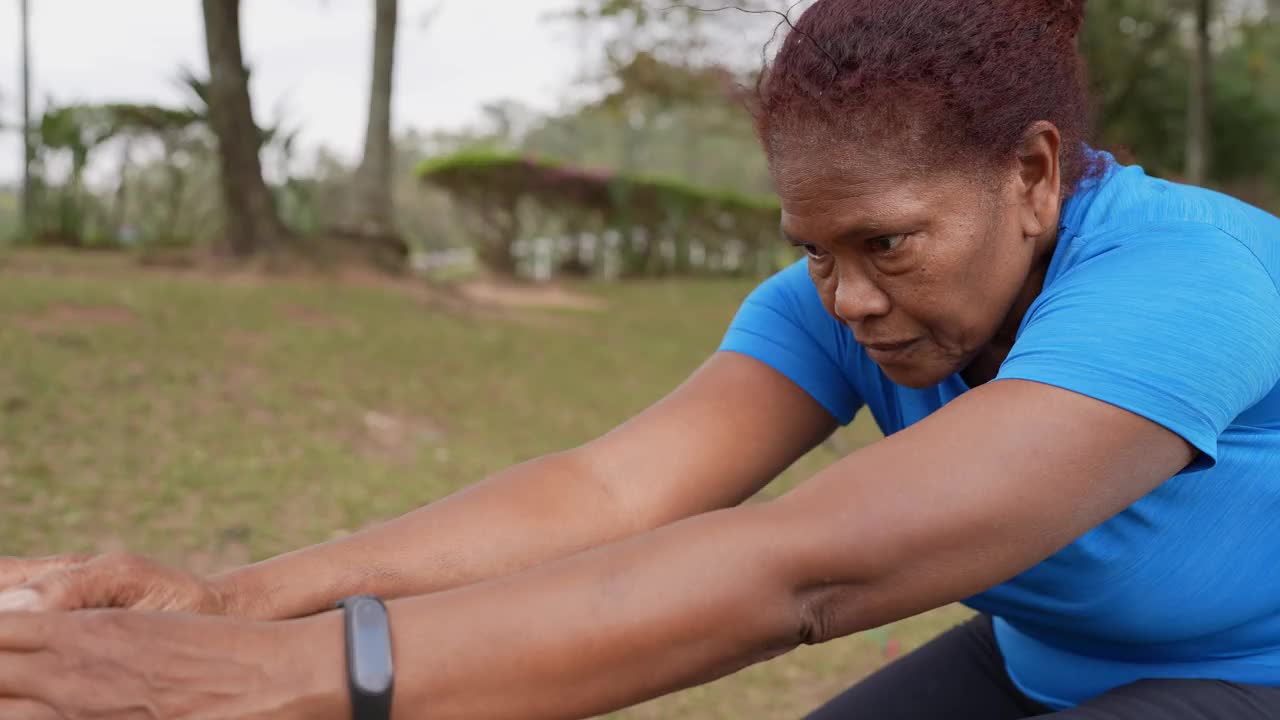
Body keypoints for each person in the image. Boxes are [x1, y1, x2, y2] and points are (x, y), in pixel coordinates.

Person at [2, 1, 1279, 718]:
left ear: (1034, 173)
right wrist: (231, 604)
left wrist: (285, 681)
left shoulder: (1185, 278)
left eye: (886, 243)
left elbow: (808, 574)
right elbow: (608, 492)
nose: (847, 298)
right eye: (813, 247)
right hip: (1040, 669)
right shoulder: (838, 293)